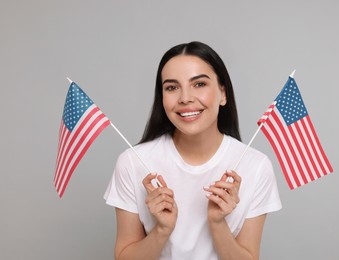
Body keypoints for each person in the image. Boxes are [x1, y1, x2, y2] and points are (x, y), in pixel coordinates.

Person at [104, 41, 282, 260]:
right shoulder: (132, 162)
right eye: (172, 87)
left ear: (223, 93)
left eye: (199, 84)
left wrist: (217, 224)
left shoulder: (256, 166)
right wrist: (161, 230)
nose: (185, 98)